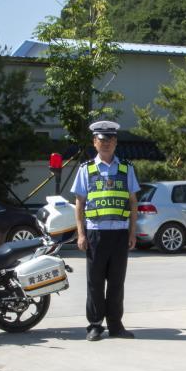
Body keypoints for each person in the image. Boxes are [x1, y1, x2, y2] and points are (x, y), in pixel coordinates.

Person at [72, 121, 140, 341]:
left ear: (116, 142)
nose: (106, 143)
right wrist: (81, 234)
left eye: (110, 139)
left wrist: (132, 233)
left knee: (117, 281)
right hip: (95, 233)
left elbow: (133, 202)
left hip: (119, 233)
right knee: (95, 281)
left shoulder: (126, 168)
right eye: (102, 140)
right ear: (94, 142)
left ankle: (116, 325)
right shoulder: (86, 169)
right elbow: (79, 204)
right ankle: (94, 325)